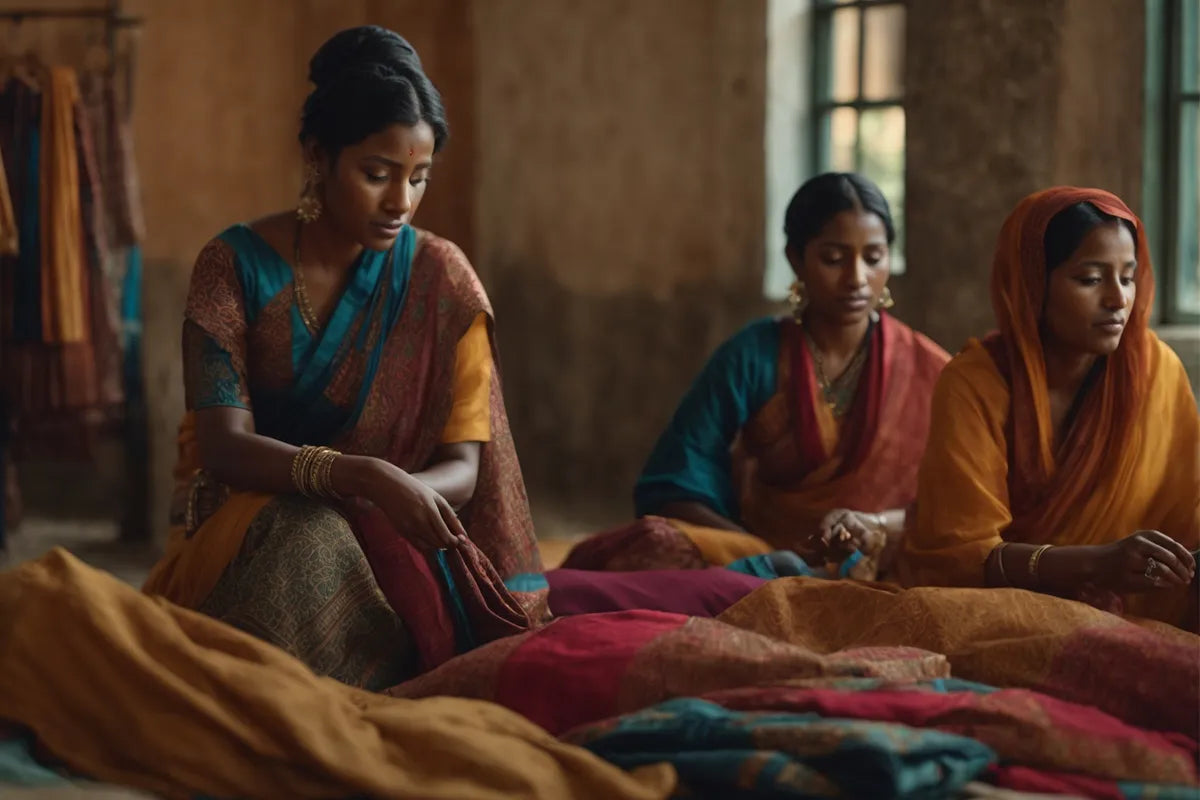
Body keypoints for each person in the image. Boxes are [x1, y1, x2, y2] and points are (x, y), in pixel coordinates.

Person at [142, 26, 543, 689]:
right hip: (256, 515)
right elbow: (222, 445)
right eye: (376, 174)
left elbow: (463, 467)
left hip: (400, 523)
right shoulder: (234, 266)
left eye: (419, 178)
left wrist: (386, 490)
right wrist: (357, 477)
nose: (400, 203)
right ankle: (278, 706)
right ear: (316, 155)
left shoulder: (443, 279)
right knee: (308, 541)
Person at [562, 173, 950, 579]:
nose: (856, 278)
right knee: (656, 545)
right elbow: (675, 481)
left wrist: (874, 526)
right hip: (763, 560)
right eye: (833, 259)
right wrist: (767, 558)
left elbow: (958, 502)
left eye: (873, 258)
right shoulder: (755, 354)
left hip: (880, 560)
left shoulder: (927, 368)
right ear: (796, 258)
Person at [901, 186, 1199, 627]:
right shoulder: (975, 385)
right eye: (1090, 279)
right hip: (1007, 609)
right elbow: (958, 557)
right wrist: (1097, 564)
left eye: (1128, 277)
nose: (1118, 300)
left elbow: (1186, 513)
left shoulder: (1156, 373)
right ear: (1033, 283)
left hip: (1149, 611)